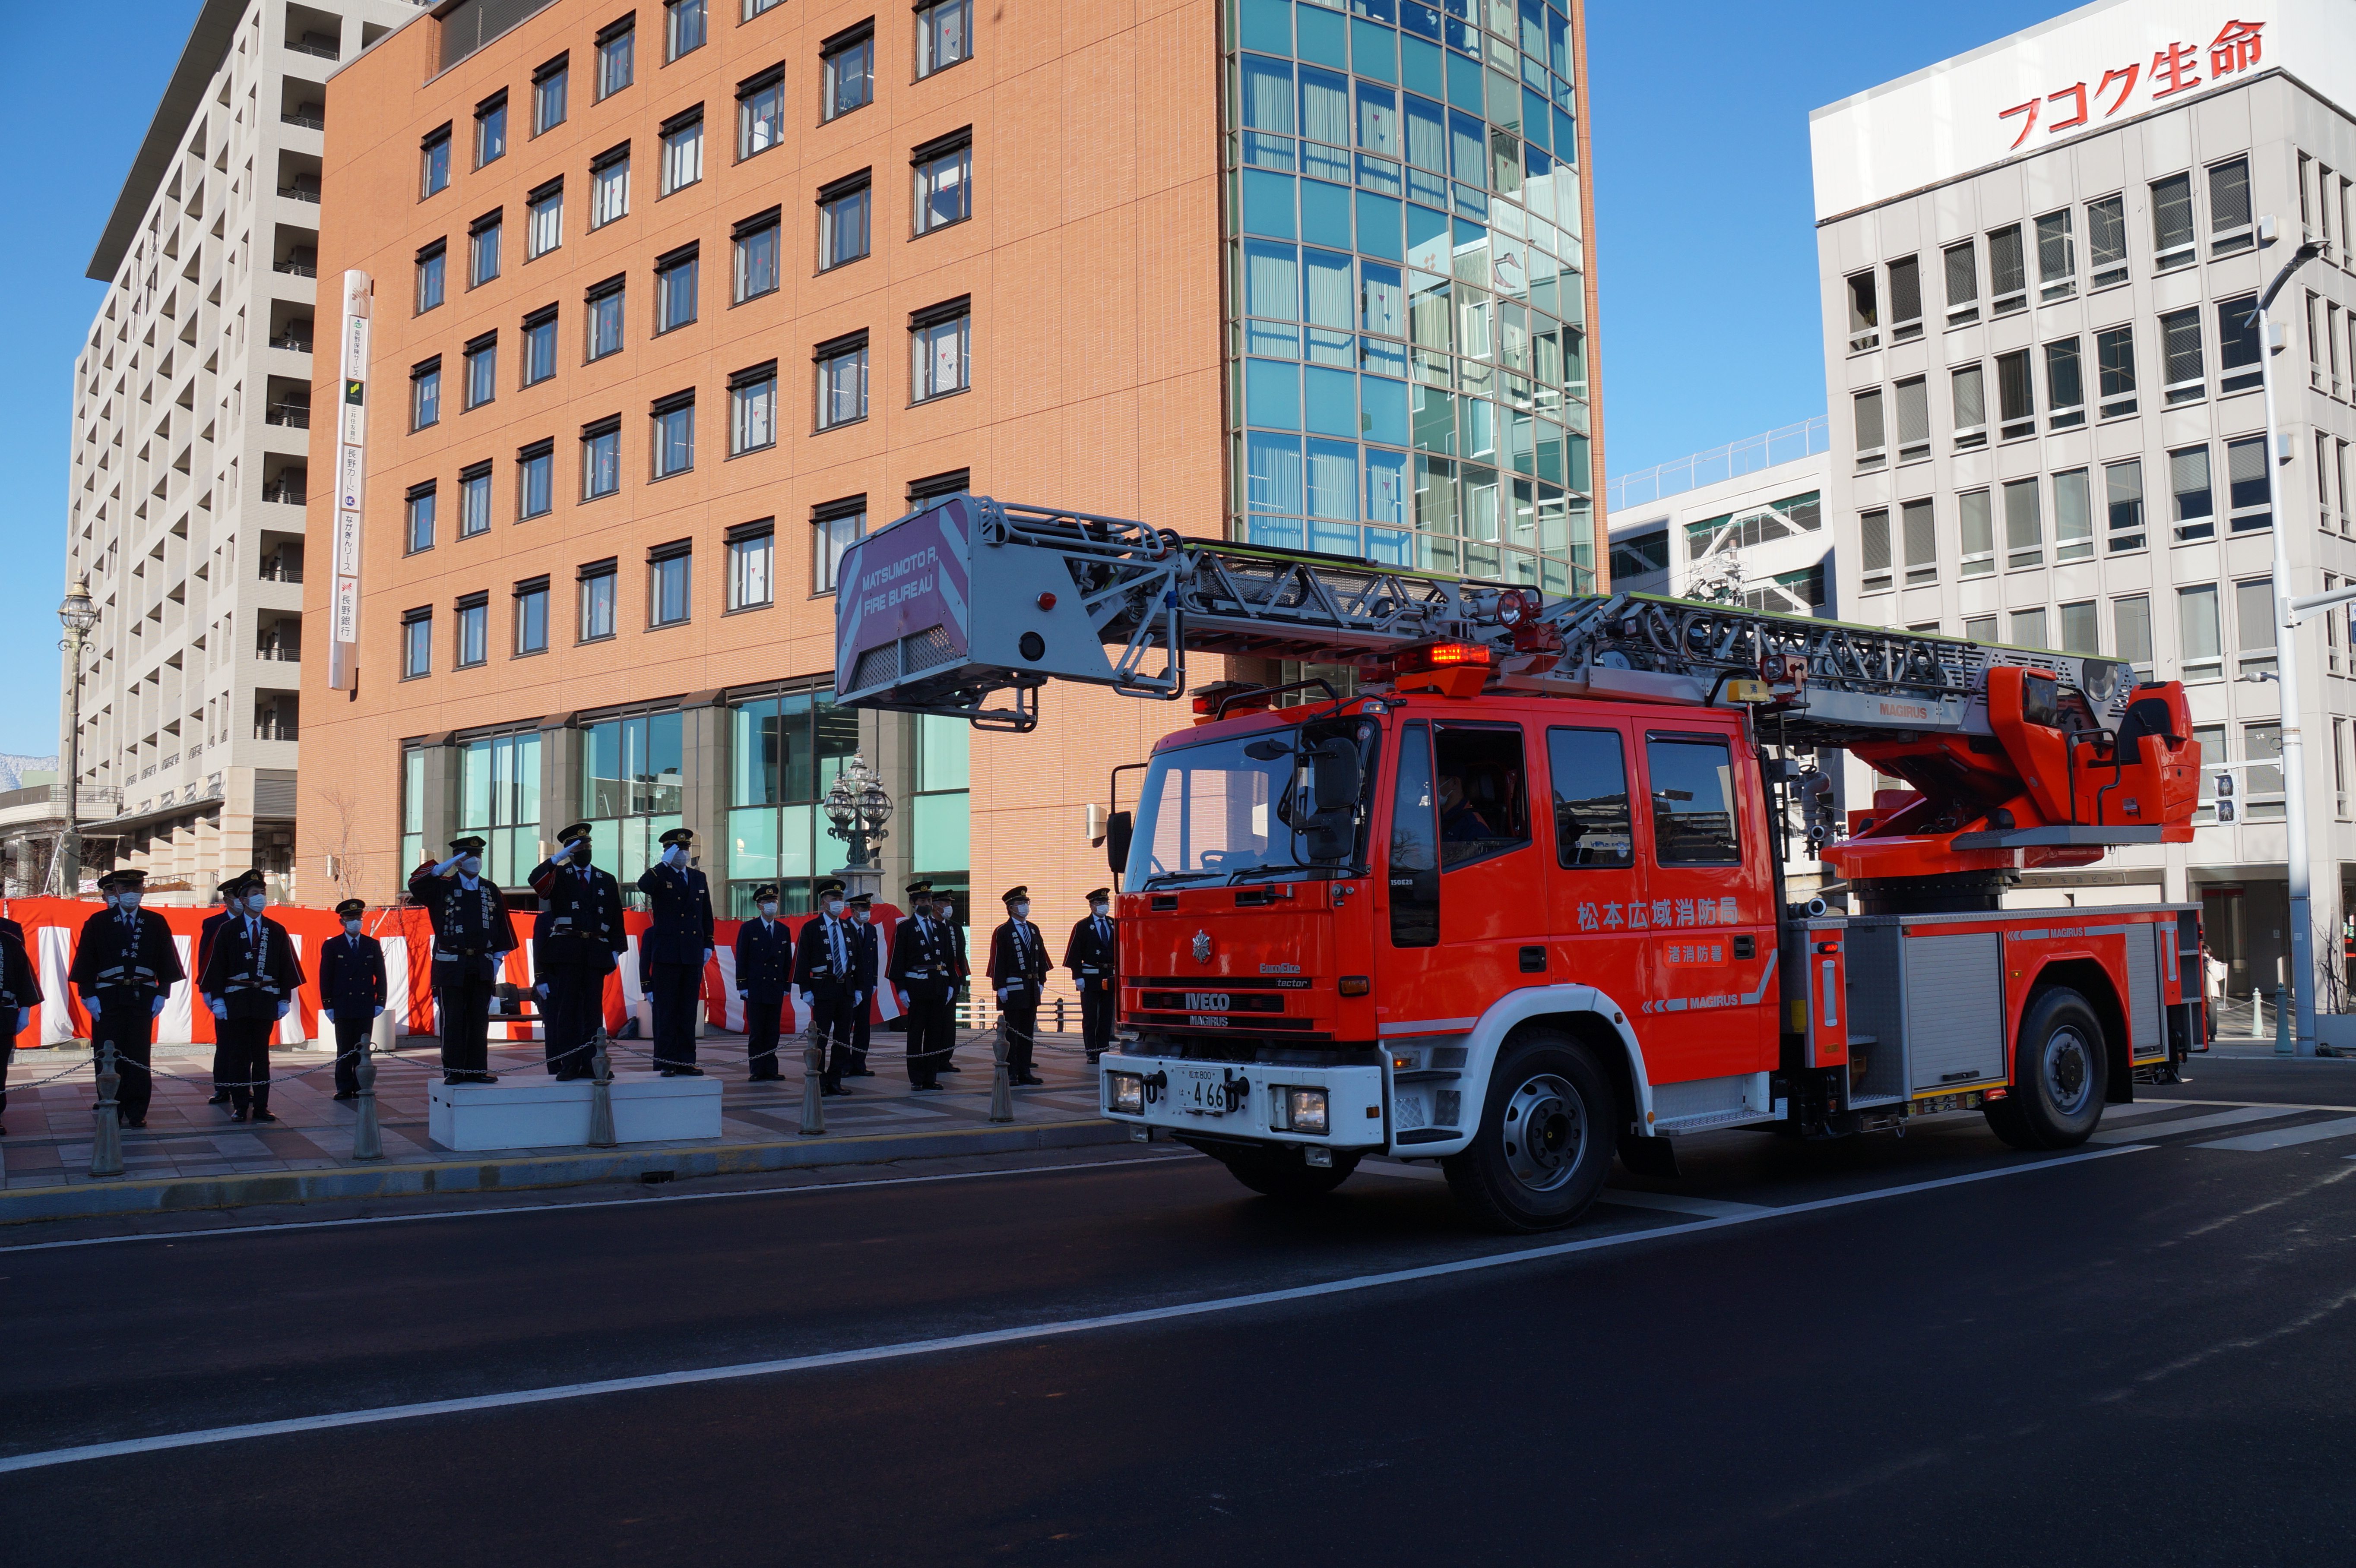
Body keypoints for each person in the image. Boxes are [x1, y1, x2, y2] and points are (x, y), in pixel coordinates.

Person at [69, 868, 184, 1129]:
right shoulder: (98, 922)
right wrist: (88, 996)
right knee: (108, 1054)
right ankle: (111, 1105)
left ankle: (137, 1109)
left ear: (143, 891)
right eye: (125, 889)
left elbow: (166, 961)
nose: (131, 894)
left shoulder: (156, 922)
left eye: (136, 889)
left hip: (142, 995)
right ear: (116, 891)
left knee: (139, 1054)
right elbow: (85, 960)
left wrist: (162, 993)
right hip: (107, 996)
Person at [408, 836, 519, 1086]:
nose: (476, 861)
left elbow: (502, 925)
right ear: (458, 861)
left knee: (479, 1019)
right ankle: (455, 1071)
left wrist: (498, 959)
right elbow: (415, 885)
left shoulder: (490, 889)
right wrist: (441, 868)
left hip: (482, 962)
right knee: (454, 1018)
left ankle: (477, 1070)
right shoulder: (443, 887)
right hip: (451, 963)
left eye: (478, 856)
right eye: (469, 857)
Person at [198, 874, 306, 1123]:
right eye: (254, 894)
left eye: (263, 894)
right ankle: (239, 1106)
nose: (260, 899)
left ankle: (261, 1106)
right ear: (243, 900)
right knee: (237, 1055)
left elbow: (286, 968)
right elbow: (216, 967)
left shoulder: (276, 930)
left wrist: (284, 999)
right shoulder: (227, 930)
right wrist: (217, 999)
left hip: (265, 1000)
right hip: (236, 1000)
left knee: (261, 1056)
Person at [528, 823, 627, 1080]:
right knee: (568, 1011)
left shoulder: (606, 878)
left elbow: (616, 916)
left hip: (595, 951)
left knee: (593, 1012)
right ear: (570, 851)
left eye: (588, 846)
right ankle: (570, 1063)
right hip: (568, 951)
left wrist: (617, 949)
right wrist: (556, 860)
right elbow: (536, 882)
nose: (586, 850)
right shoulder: (559, 876)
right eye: (579, 847)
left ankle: (593, 1063)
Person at [636, 827, 714, 1076]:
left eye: (686, 849)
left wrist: (708, 943)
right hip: (668, 954)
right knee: (667, 1012)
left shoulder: (698, 878)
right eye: (678, 849)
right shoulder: (660, 876)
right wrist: (663, 865)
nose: (684, 853)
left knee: (688, 1010)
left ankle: (685, 1060)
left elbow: (706, 915)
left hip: (692, 953)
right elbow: (643, 885)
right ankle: (666, 1061)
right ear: (668, 851)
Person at [889, 879, 963, 1091]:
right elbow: (897, 960)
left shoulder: (940, 927)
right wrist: (901, 988)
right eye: (922, 900)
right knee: (916, 1034)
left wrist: (951, 985)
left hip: (938, 986)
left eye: (929, 899)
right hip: (917, 987)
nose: (927, 903)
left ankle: (931, 1076)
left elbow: (950, 959)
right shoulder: (905, 928)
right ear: (913, 903)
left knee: (935, 1033)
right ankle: (916, 1077)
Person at [794, 878, 864, 1096]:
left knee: (843, 1038)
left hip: (846, 989)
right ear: (823, 902)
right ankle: (820, 1081)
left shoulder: (848, 927)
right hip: (823, 987)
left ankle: (835, 1080)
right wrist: (805, 988)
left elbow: (858, 960)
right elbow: (802, 959)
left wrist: (859, 988)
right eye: (834, 899)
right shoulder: (812, 927)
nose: (839, 903)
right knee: (821, 1038)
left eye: (841, 899)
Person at [319, 898, 388, 1100]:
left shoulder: (371, 945)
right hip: (342, 1004)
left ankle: (361, 1085)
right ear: (342, 922)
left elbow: (381, 975)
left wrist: (380, 1001)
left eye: (359, 918)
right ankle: (343, 1087)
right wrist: (328, 1004)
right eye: (351, 919)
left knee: (363, 1049)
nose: (356, 922)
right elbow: (325, 977)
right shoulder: (332, 946)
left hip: (365, 1003)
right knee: (344, 1048)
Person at [987, 885, 1050, 1087]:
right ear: (1011, 908)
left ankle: (1025, 1070)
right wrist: (1000, 986)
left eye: (1026, 903)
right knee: (1013, 1032)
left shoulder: (1033, 929)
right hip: (1013, 988)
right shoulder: (1003, 931)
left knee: (1027, 1032)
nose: (1025, 907)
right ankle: (1012, 1071)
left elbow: (1041, 956)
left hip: (1031, 987)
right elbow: (998, 960)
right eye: (1021, 904)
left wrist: (1041, 980)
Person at [732, 884, 795, 1081]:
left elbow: (787, 960)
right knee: (758, 1032)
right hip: (756, 987)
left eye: (774, 901)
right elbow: (741, 958)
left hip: (775, 987)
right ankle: (757, 1069)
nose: (772, 905)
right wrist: (742, 985)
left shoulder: (783, 930)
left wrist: (787, 986)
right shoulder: (749, 928)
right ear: (759, 906)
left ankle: (771, 1069)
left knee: (773, 1031)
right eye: (767, 902)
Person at [1063, 888, 1120, 1064]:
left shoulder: (1113, 924)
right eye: (1100, 903)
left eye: (1106, 902)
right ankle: (1091, 1051)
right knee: (1090, 1017)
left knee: (1106, 1016)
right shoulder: (1083, 926)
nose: (1104, 906)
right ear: (1092, 905)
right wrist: (1077, 976)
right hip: (1089, 976)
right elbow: (1074, 953)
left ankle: (1103, 1049)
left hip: (1109, 975)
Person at [196, 880, 240, 1105]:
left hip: (247, 992)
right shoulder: (214, 923)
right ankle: (222, 1088)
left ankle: (244, 1087)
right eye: (234, 896)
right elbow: (205, 959)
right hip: (223, 992)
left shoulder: (254, 923)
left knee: (247, 1045)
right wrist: (208, 992)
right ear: (226, 900)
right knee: (224, 1042)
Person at [0, 910, 43, 1137]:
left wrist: (25, 1009)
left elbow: (25, 976)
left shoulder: (10, 939)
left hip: (3, 1013)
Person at [846, 892, 880, 1077]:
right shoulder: (844, 928)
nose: (866, 912)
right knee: (845, 1028)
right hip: (849, 986)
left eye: (868, 909)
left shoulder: (872, 930)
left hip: (866, 985)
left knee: (863, 1027)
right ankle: (843, 1064)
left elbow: (873, 958)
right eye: (863, 909)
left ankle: (859, 1063)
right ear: (853, 911)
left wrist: (874, 981)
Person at [1437, 772, 1493, 841]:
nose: (1429, 789)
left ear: (1454, 783)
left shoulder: (1474, 826)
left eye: (1435, 783)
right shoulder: (1435, 818)